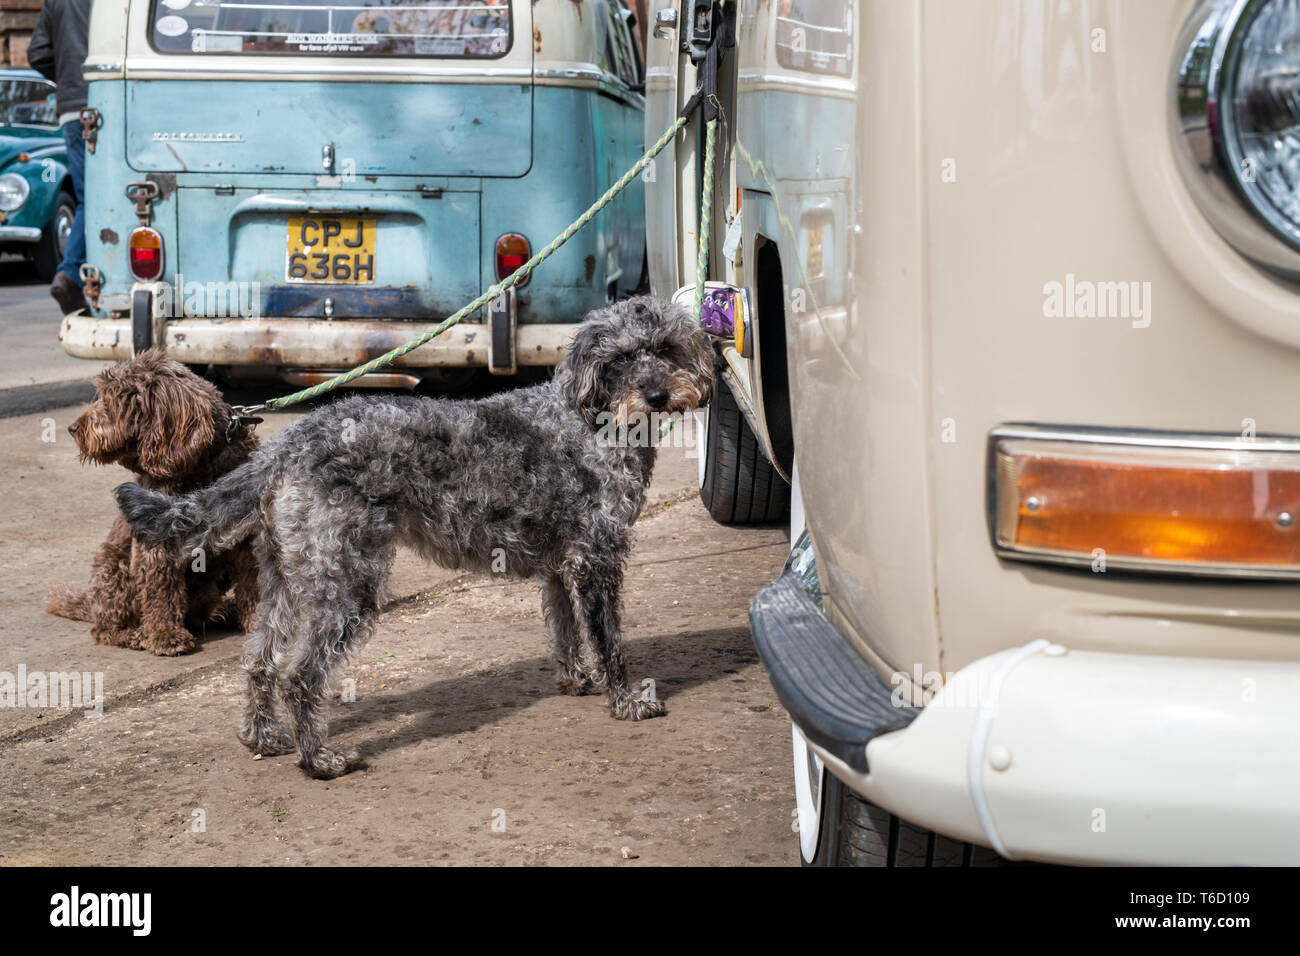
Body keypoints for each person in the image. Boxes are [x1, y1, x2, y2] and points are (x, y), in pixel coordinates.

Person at [28, 0, 93, 315]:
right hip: (109, 100)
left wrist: (68, 77)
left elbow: (37, 53)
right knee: (107, 194)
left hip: (70, 108)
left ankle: (77, 274)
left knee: (87, 197)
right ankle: (72, 272)